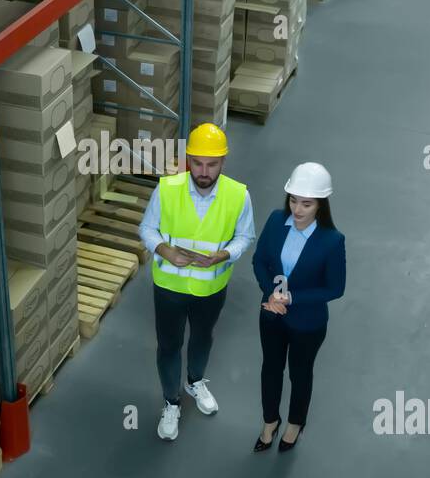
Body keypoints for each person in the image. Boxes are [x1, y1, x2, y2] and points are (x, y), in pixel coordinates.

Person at [138, 123, 255, 442]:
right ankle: (171, 402)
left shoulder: (238, 195)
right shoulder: (166, 189)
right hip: (169, 288)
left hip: (211, 290)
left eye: (212, 164)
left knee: (203, 338)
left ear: (224, 163)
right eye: (197, 162)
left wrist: (224, 255)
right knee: (169, 345)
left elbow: (245, 235)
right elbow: (147, 229)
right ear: (188, 159)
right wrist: (164, 250)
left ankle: (195, 381)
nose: (204, 171)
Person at [250, 163, 346, 452]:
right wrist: (272, 295)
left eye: (307, 203)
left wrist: (291, 299)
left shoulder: (332, 240)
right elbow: (259, 261)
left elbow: (334, 288)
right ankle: (270, 422)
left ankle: (295, 423)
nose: (298, 209)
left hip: (308, 323)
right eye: (293, 200)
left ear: (321, 204)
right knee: (271, 368)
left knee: (300, 373)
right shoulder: (275, 221)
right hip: (271, 314)